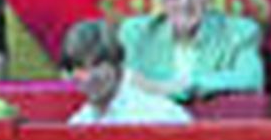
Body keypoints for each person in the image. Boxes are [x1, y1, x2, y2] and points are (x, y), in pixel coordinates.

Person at [118, 0, 263, 102]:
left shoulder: (240, 32)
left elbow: (251, 79)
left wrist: (187, 85)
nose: (184, 3)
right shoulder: (137, 32)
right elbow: (125, 82)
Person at [60, 19, 191, 127]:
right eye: (81, 68)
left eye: (98, 64)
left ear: (117, 64)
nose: (90, 76)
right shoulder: (78, 124)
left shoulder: (161, 116)